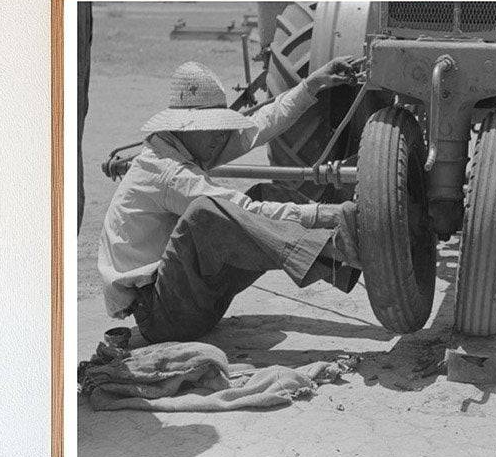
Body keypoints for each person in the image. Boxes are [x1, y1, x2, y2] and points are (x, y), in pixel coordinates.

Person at [97, 58, 362, 343]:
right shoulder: (168, 172)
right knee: (206, 213)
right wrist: (325, 214)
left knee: (264, 192)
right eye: (213, 129)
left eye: (222, 128)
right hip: (165, 318)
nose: (220, 137)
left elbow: (260, 125)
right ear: (186, 127)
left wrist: (312, 85)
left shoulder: (187, 146)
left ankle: (341, 260)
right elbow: (244, 211)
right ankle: (342, 249)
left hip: (193, 303)